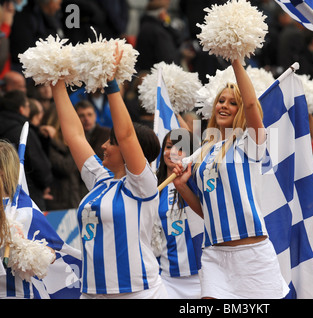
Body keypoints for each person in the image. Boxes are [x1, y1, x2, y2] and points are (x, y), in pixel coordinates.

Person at [50, 45, 167, 298]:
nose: (103, 145)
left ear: (130, 151)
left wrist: (111, 82)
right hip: (92, 292)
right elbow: (74, 136)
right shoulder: (101, 181)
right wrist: (57, 82)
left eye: (111, 142)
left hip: (138, 292)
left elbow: (125, 134)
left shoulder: (142, 185)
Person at [172, 60, 289, 299]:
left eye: (232, 103)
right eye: (221, 101)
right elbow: (208, 211)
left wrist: (236, 59)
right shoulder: (203, 153)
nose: (224, 106)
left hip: (252, 254)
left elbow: (251, 104)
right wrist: (182, 187)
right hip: (214, 253)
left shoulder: (249, 142)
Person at [0, 139, 57, 299]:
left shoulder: (24, 208)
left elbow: (51, 254)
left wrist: (23, 248)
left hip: (17, 294)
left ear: (2, 170)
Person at [154, 128, 202, 299]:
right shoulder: (154, 189)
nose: (172, 152)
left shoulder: (199, 183)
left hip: (204, 277)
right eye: (168, 146)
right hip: (167, 279)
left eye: (180, 148)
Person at [0, 90, 53, 210]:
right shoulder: (23, 130)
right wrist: (46, 184)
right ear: (21, 109)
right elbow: (40, 167)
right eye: (28, 106)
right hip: (26, 196)